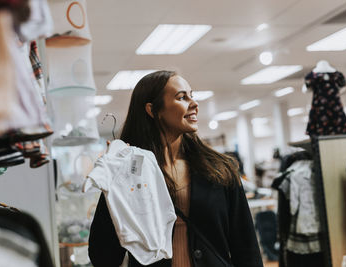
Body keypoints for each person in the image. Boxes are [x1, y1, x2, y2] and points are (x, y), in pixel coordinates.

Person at [88, 70, 263, 267]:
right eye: (182, 97)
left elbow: (246, 247)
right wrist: (115, 182)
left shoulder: (220, 170)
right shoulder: (130, 174)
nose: (194, 104)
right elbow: (103, 257)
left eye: (192, 95)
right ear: (152, 110)